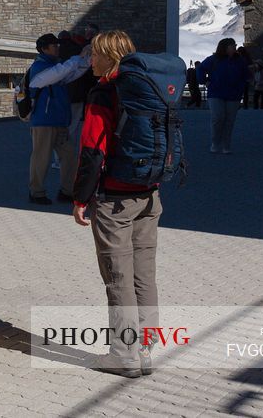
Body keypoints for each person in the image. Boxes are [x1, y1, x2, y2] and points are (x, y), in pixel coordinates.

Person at [71, 29, 160, 378]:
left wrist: (80, 198)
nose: (90, 60)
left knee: (118, 278)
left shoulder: (104, 93)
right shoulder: (147, 88)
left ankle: (124, 355)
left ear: (108, 56)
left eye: (94, 54)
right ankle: (145, 348)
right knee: (144, 277)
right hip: (150, 195)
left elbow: (92, 151)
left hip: (115, 201)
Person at [26, 33, 91, 204]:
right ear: (43, 49)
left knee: (70, 157)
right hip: (43, 122)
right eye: (54, 45)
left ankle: (67, 191)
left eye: (58, 45)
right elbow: (61, 72)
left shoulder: (55, 65)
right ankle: (36, 193)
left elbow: (71, 74)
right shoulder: (39, 67)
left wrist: (87, 59)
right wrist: (79, 57)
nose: (58, 48)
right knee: (41, 158)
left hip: (59, 121)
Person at [197, 38, 249, 154]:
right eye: (233, 45)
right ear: (225, 47)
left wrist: (241, 87)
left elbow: (245, 75)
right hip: (216, 93)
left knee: (230, 120)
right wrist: (204, 81)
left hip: (234, 94)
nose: (235, 47)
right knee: (218, 118)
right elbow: (200, 68)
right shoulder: (214, 59)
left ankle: (226, 145)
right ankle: (215, 143)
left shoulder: (239, 61)